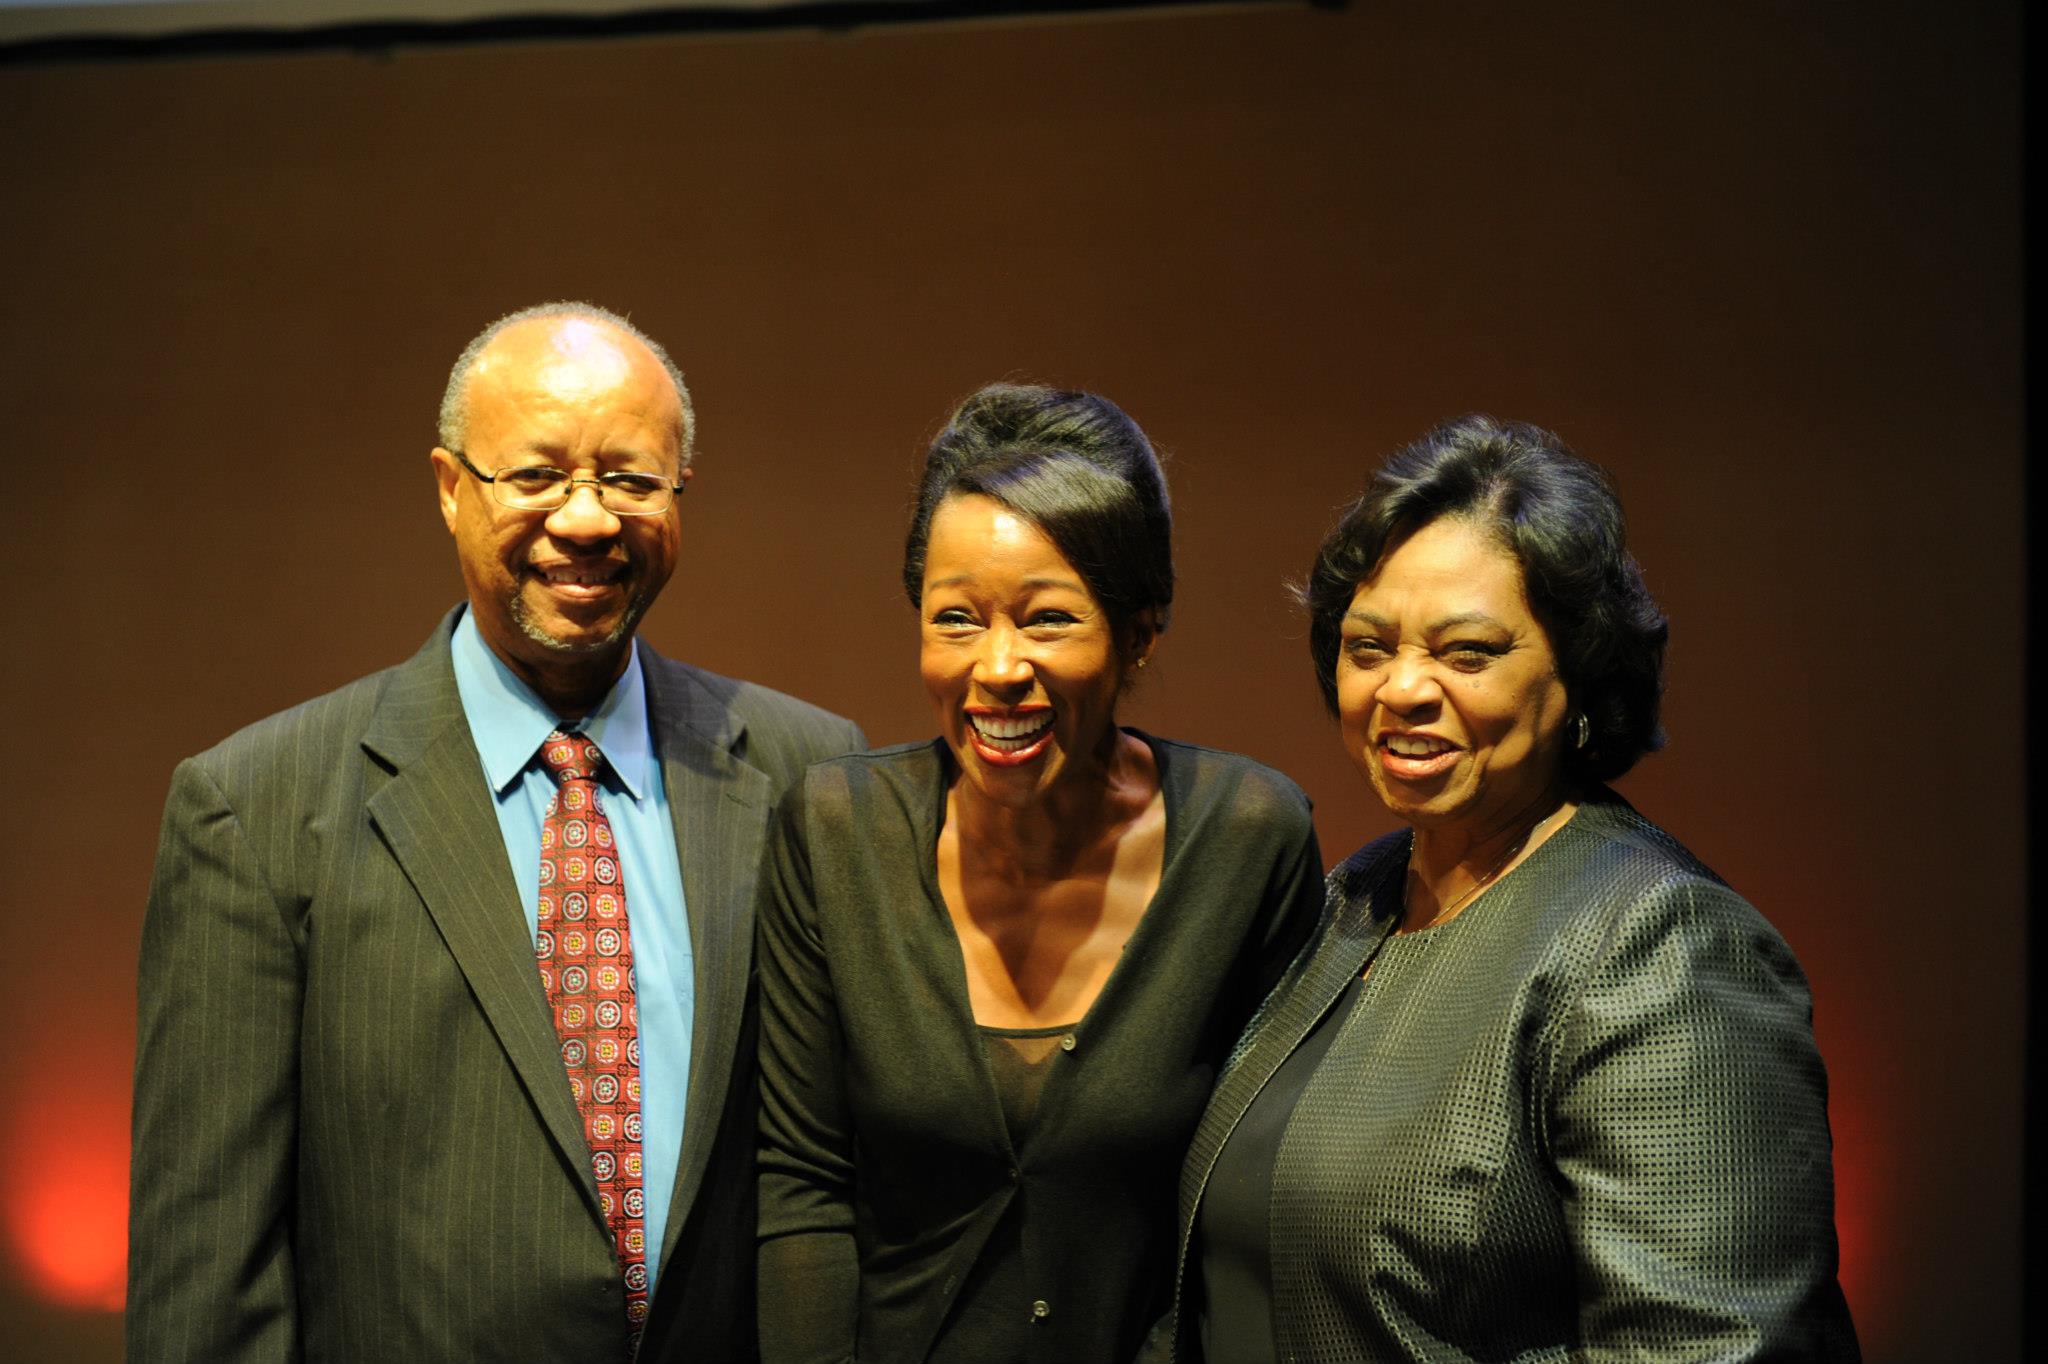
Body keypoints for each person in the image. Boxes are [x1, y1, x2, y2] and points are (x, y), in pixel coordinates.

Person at [126, 302, 864, 1363]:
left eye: (630, 479)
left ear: (679, 495)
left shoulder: (805, 773)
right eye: (536, 476)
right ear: (447, 488)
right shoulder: (256, 810)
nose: (587, 519)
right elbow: (208, 1284)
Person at [1170, 415, 1860, 1362]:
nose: (1402, 688)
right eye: (1368, 647)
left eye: (1467, 653)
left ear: (1576, 678)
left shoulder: (1662, 946)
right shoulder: (1356, 897)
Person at [755, 383, 1325, 1364]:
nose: (997, 666)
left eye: (1048, 618)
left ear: (1139, 633)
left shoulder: (1246, 840)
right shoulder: (835, 830)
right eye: (956, 618)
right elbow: (800, 1183)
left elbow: (1265, 1197)